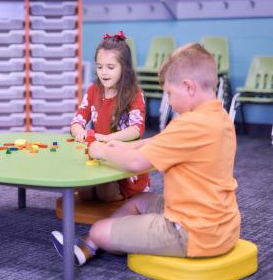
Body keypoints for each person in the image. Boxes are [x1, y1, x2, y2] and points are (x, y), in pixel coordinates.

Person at [52, 43, 241, 265]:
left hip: (191, 233)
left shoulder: (189, 124)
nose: (169, 101)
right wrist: (124, 146)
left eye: (169, 93)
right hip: (221, 225)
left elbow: (136, 163)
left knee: (98, 230)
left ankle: (93, 240)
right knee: (140, 201)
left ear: (189, 87)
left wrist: (99, 149)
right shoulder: (219, 117)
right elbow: (158, 142)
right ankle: (90, 246)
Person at [70, 31, 149, 202]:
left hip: (123, 158)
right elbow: (77, 120)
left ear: (124, 68)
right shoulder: (93, 90)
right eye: (99, 67)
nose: (104, 73)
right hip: (99, 156)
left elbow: (136, 129)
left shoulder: (135, 94)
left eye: (110, 67)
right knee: (84, 192)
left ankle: (125, 195)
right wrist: (78, 131)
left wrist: (107, 138)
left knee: (105, 193)